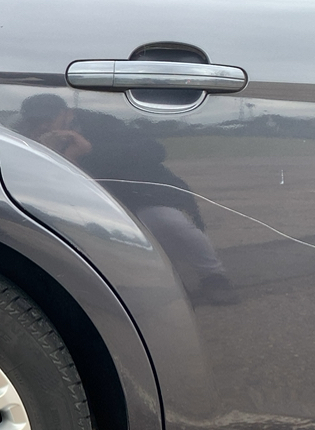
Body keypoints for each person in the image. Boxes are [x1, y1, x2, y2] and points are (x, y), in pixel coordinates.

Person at [17, 94, 238, 305]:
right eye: (36, 121)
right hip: (90, 201)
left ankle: (213, 276)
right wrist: (57, 155)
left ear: (68, 113)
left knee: (168, 222)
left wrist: (90, 151)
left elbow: (155, 150)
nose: (43, 125)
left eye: (48, 118)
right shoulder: (25, 137)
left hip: (140, 194)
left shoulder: (102, 124)